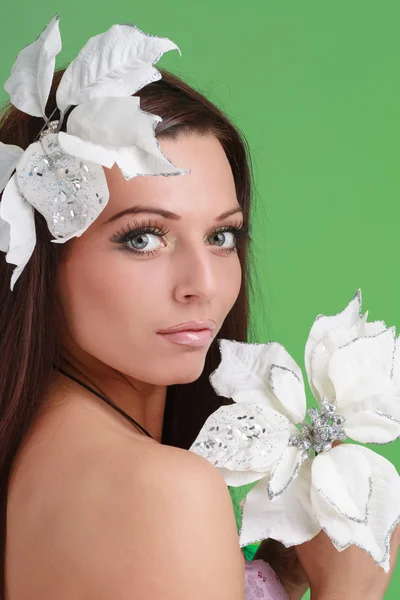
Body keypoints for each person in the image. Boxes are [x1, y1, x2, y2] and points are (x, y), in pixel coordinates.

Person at [0, 28, 399, 600]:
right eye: (142, 238)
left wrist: (273, 575)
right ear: (44, 253)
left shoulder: (37, 455)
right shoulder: (165, 489)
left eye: (222, 235)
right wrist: (349, 592)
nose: (204, 286)